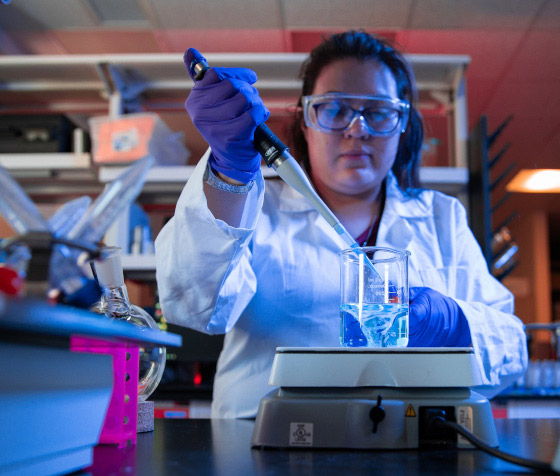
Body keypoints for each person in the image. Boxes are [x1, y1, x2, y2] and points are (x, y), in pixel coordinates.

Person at [156, 30, 527, 419]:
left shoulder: (441, 218)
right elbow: (194, 307)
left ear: (402, 124)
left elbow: (513, 350)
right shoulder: (258, 209)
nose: (357, 129)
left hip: (414, 444)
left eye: (379, 112)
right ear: (305, 121)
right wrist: (228, 176)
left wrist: (454, 325)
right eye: (334, 109)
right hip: (264, 445)